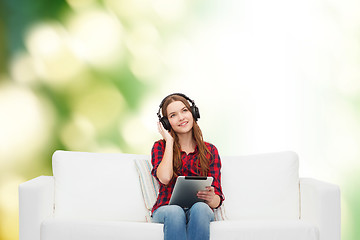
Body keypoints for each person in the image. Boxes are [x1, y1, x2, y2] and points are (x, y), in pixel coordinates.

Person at [151, 93, 224, 240]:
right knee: (175, 212)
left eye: (184, 111)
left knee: (201, 208)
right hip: (166, 209)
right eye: (173, 115)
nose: (181, 117)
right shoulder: (160, 147)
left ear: (193, 113)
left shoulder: (210, 151)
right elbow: (165, 178)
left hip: (199, 210)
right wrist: (169, 142)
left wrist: (210, 198)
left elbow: (217, 202)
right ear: (166, 123)